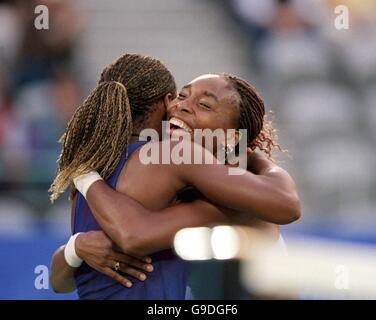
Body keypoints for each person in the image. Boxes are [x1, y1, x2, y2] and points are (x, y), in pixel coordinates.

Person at [49, 54, 300, 299]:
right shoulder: (175, 175)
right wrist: (76, 246)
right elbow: (63, 277)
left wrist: (85, 178)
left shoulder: (234, 196)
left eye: (204, 105)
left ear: (233, 136)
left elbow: (288, 205)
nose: (182, 106)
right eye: (182, 96)